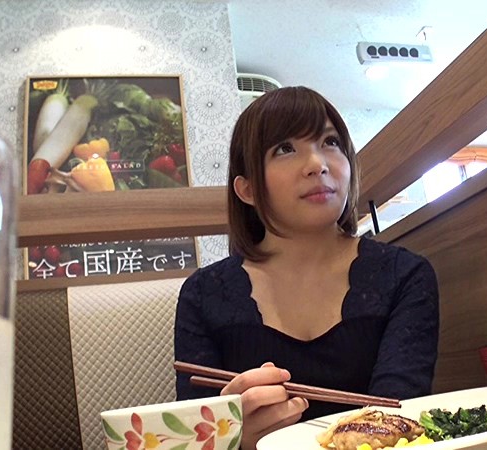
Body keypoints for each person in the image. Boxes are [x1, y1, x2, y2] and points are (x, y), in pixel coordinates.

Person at [174, 86, 439, 449]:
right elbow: (190, 437)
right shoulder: (204, 294)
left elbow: (398, 424)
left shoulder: (405, 276)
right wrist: (232, 438)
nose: (317, 163)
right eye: (285, 148)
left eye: (331, 142)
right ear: (247, 189)